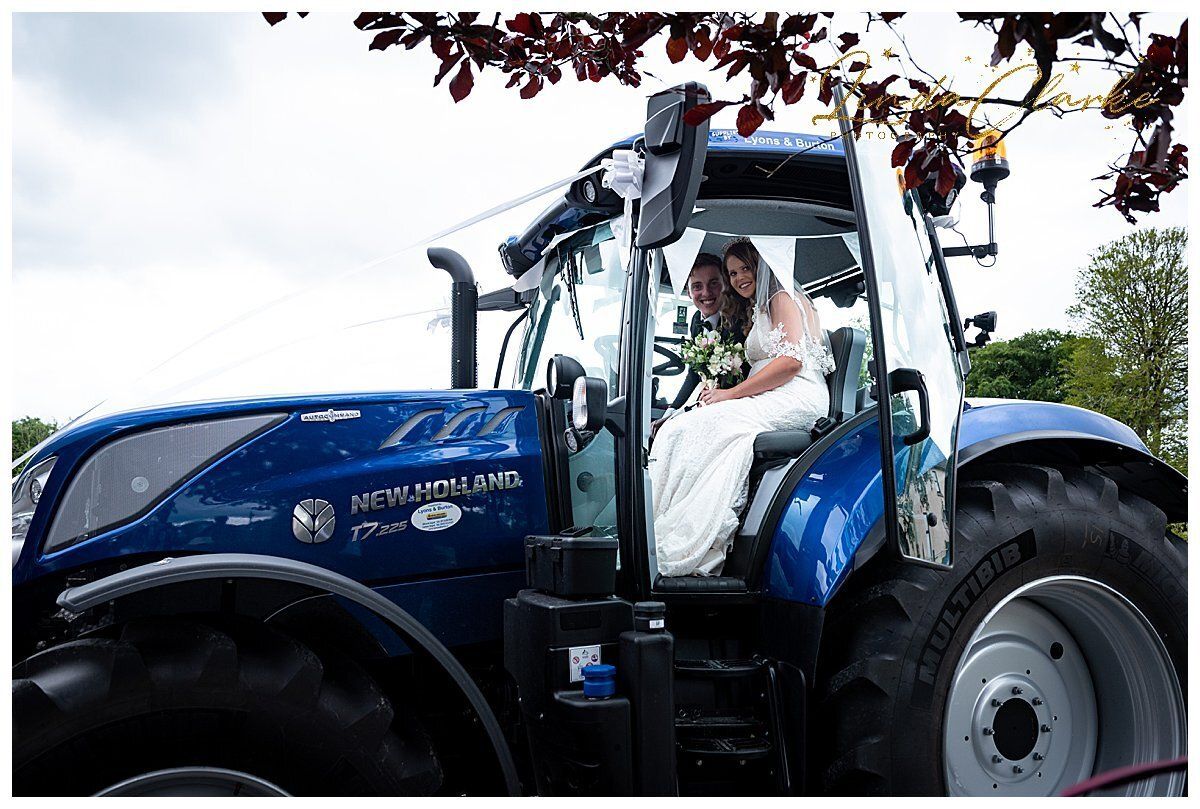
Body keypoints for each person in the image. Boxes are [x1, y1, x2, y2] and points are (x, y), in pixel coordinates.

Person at [650, 237, 835, 577]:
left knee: (705, 426)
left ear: (762, 265)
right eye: (733, 273)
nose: (738, 279)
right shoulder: (762, 306)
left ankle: (690, 538)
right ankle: (657, 525)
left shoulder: (782, 298)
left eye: (744, 269)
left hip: (797, 396)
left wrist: (731, 394)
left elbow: (792, 362)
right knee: (682, 426)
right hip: (778, 392)